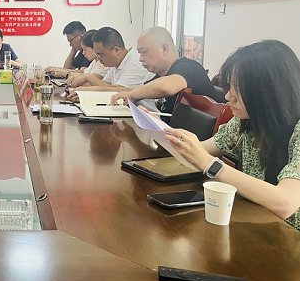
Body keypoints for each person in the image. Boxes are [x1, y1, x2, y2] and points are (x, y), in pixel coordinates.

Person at [164, 40, 300, 231]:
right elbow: (198, 151)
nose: (228, 97)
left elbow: (286, 203)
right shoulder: (248, 122)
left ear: (270, 91)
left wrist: (210, 164)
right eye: (230, 87)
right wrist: (159, 129)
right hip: (257, 225)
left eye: (239, 89)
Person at [110, 26, 217, 114]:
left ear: (164, 49)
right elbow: (137, 89)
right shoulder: (162, 74)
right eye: (140, 53)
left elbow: (166, 87)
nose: (141, 59)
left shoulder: (188, 67)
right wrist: (124, 94)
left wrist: (132, 95)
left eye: (144, 52)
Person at [67, 27, 153, 100]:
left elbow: (119, 91)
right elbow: (105, 85)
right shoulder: (115, 63)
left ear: (116, 50)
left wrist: (88, 79)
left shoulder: (134, 63)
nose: (99, 59)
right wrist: (83, 89)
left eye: (101, 55)